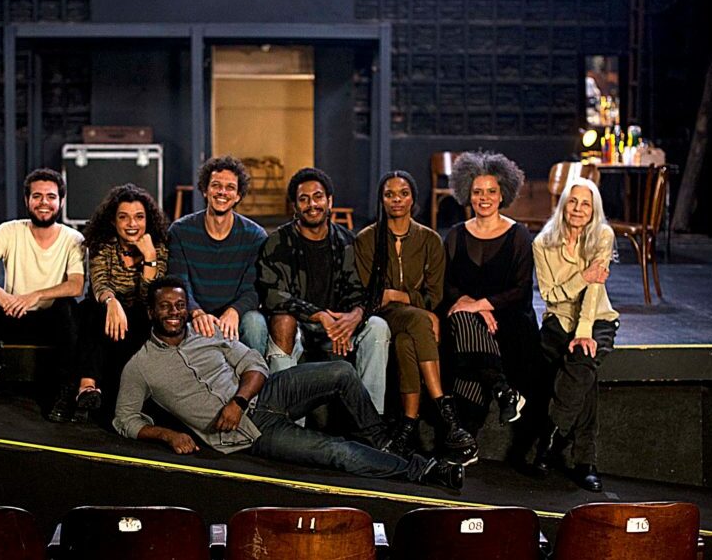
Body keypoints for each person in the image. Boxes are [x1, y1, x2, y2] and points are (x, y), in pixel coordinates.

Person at [113, 276, 464, 489]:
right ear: (151, 312)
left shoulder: (207, 331)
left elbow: (252, 363)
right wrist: (168, 435)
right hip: (246, 434)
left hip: (264, 394)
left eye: (179, 305)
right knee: (336, 451)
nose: (174, 312)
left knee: (341, 372)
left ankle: (383, 444)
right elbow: (125, 419)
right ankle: (423, 471)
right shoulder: (140, 367)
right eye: (165, 307)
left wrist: (238, 400)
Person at [354, 171, 477, 462]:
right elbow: (372, 295)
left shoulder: (430, 239)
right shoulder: (366, 239)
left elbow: (435, 296)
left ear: (413, 199)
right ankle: (447, 414)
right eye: (389, 194)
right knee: (421, 321)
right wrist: (419, 309)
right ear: (381, 200)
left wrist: (400, 296)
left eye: (403, 193)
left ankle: (407, 426)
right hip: (380, 318)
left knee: (406, 343)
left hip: (411, 321)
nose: (396, 200)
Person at [256, 167, 390, 414]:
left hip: (339, 328)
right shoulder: (278, 242)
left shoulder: (346, 241)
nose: (312, 205)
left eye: (317, 197)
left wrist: (355, 315)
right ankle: (283, 419)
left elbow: (359, 290)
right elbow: (273, 295)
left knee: (377, 326)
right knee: (282, 321)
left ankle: (372, 419)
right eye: (303, 199)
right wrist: (318, 315)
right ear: (295, 206)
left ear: (329, 201)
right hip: (300, 328)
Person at [0, 168, 84, 422]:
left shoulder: (73, 238)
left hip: (51, 324)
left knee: (68, 306)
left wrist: (36, 295)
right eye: (37, 196)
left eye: (51, 197)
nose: (43, 203)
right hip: (14, 316)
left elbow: (76, 285)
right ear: (27, 200)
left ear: (61, 201)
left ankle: (66, 389)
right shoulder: (9, 230)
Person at [531, 177, 620, 492]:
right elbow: (550, 295)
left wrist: (584, 332)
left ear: (594, 210)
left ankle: (550, 436)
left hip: (597, 319)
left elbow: (594, 291)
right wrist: (583, 276)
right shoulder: (542, 243)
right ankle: (585, 462)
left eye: (586, 204)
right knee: (584, 374)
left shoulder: (603, 236)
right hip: (558, 320)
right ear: (563, 205)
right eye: (573, 201)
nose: (579, 209)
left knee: (583, 357)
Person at [442, 152, 537, 434]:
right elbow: (446, 285)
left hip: (510, 325)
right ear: (467, 194)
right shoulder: (456, 235)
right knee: (462, 320)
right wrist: (473, 305)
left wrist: (481, 304)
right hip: (469, 324)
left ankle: (463, 441)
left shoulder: (518, 235)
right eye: (477, 192)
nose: (484, 198)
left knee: (464, 328)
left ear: (502, 193)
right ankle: (502, 390)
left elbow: (521, 291)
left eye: (491, 191)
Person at [73, 184, 169, 420]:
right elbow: (99, 284)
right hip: (104, 316)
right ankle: (87, 387)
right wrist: (111, 302)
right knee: (90, 309)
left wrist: (149, 258)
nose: (132, 224)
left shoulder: (157, 248)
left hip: (139, 319)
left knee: (142, 315)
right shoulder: (102, 244)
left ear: (148, 220)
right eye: (123, 217)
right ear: (113, 221)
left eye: (139, 217)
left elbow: (150, 298)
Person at [167, 156, 268, 354]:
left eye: (230, 187)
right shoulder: (180, 231)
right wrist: (196, 312)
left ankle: (256, 374)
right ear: (205, 190)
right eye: (216, 185)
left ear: (238, 195)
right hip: (193, 314)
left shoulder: (255, 236)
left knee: (255, 323)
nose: (222, 192)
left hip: (237, 316)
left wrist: (235, 311)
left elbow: (254, 289)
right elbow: (179, 282)